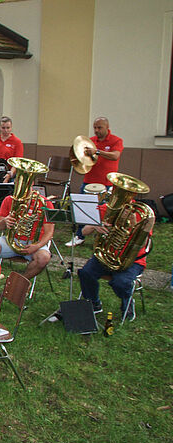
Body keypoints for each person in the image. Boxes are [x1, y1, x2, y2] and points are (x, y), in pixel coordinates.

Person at [76, 199, 152, 322]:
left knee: (121, 282)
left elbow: (144, 243)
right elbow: (83, 232)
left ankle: (127, 303)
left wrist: (134, 226)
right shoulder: (106, 209)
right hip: (106, 255)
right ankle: (94, 303)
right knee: (85, 273)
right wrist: (95, 225)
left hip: (131, 260)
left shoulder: (142, 214)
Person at [68, 117, 123, 246]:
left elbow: (115, 156)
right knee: (83, 210)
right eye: (95, 128)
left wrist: (97, 151)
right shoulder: (90, 141)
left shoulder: (116, 140)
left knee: (107, 212)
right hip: (89, 181)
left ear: (107, 127)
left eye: (99, 128)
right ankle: (80, 236)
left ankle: (106, 237)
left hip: (107, 183)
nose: (96, 130)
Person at [0, 192, 54, 280]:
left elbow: (49, 232)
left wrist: (37, 246)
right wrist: (4, 221)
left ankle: (19, 282)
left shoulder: (44, 202)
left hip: (35, 243)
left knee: (43, 258)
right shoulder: (9, 199)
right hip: (11, 240)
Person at [0, 116, 24, 182]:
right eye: (3, 128)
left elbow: (17, 162)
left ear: (11, 128)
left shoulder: (17, 142)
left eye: (8, 128)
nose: (6, 130)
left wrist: (9, 175)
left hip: (10, 174)